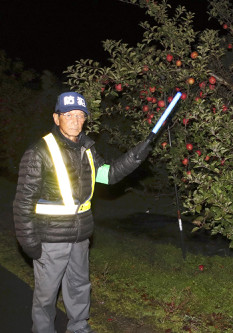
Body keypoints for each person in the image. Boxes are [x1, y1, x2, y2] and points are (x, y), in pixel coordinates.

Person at [13, 92, 153, 333]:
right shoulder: (39, 151)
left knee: (79, 289)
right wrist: (28, 242)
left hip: (80, 237)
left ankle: (79, 328)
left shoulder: (87, 149)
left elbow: (107, 175)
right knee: (46, 298)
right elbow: (22, 202)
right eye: (69, 115)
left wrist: (135, 157)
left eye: (80, 116)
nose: (75, 121)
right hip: (50, 239)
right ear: (56, 118)